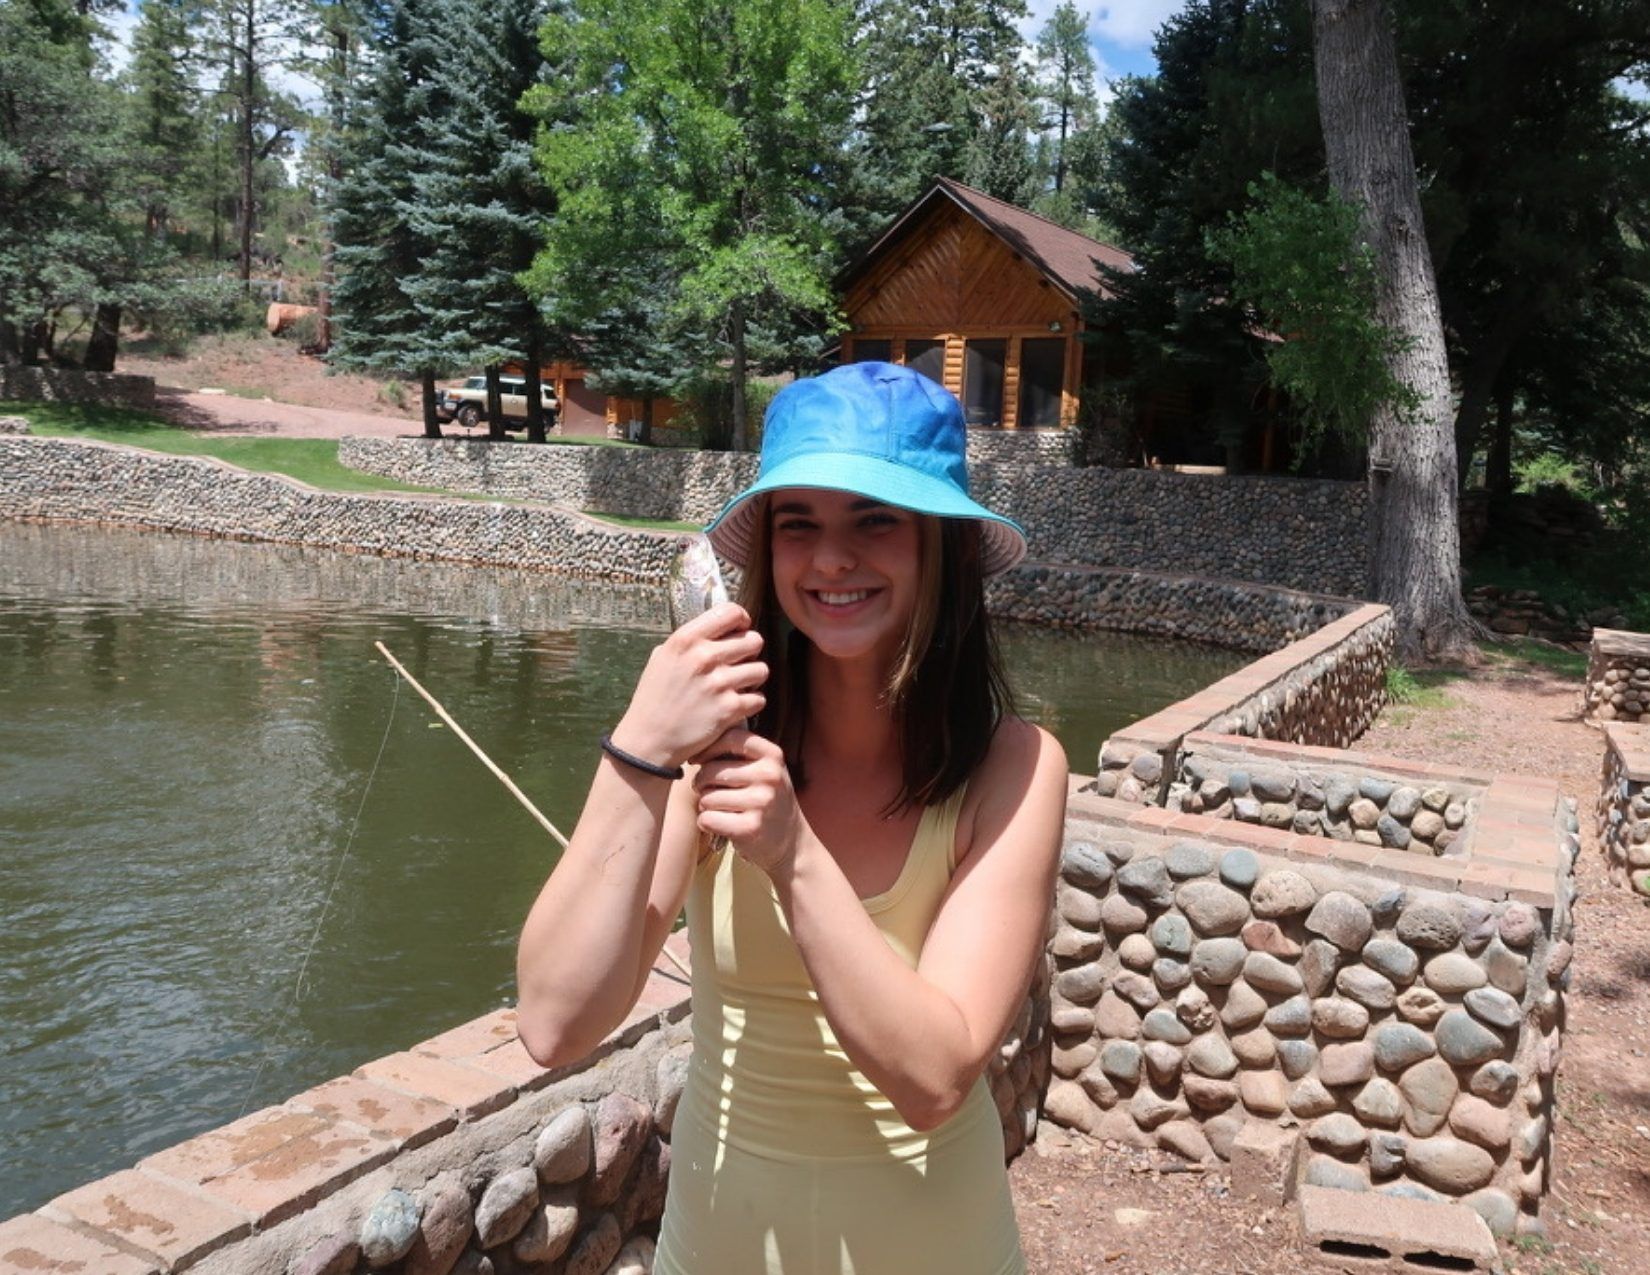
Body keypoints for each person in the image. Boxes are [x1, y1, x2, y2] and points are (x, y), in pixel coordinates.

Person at [515, 362, 1068, 1274]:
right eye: (798, 523)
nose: (831, 558)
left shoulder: (1016, 768)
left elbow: (935, 1078)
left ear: (946, 547)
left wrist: (793, 854)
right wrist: (641, 745)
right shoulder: (710, 754)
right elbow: (554, 1022)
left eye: (875, 519)